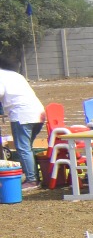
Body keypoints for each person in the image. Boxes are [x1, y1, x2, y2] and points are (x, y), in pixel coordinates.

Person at [0, 56, 44, 189]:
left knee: (23, 148)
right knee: (27, 148)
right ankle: (32, 175)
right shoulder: (16, 75)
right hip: (38, 112)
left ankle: (32, 180)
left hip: (22, 115)